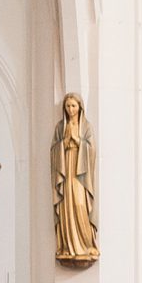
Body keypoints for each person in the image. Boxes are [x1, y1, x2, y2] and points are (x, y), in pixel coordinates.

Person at [51, 92, 99, 265]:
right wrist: (64, 142)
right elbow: (53, 150)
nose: (70, 109)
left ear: (80, 107)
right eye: (68, 106)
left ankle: (86, 244)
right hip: (65, 170)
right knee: (66, 207)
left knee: (80, 204)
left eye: (73, 106)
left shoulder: (86, 126)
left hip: (80, 172)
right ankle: (66, 246)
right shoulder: (60, 127)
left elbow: (92, 150)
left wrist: (77, 140)